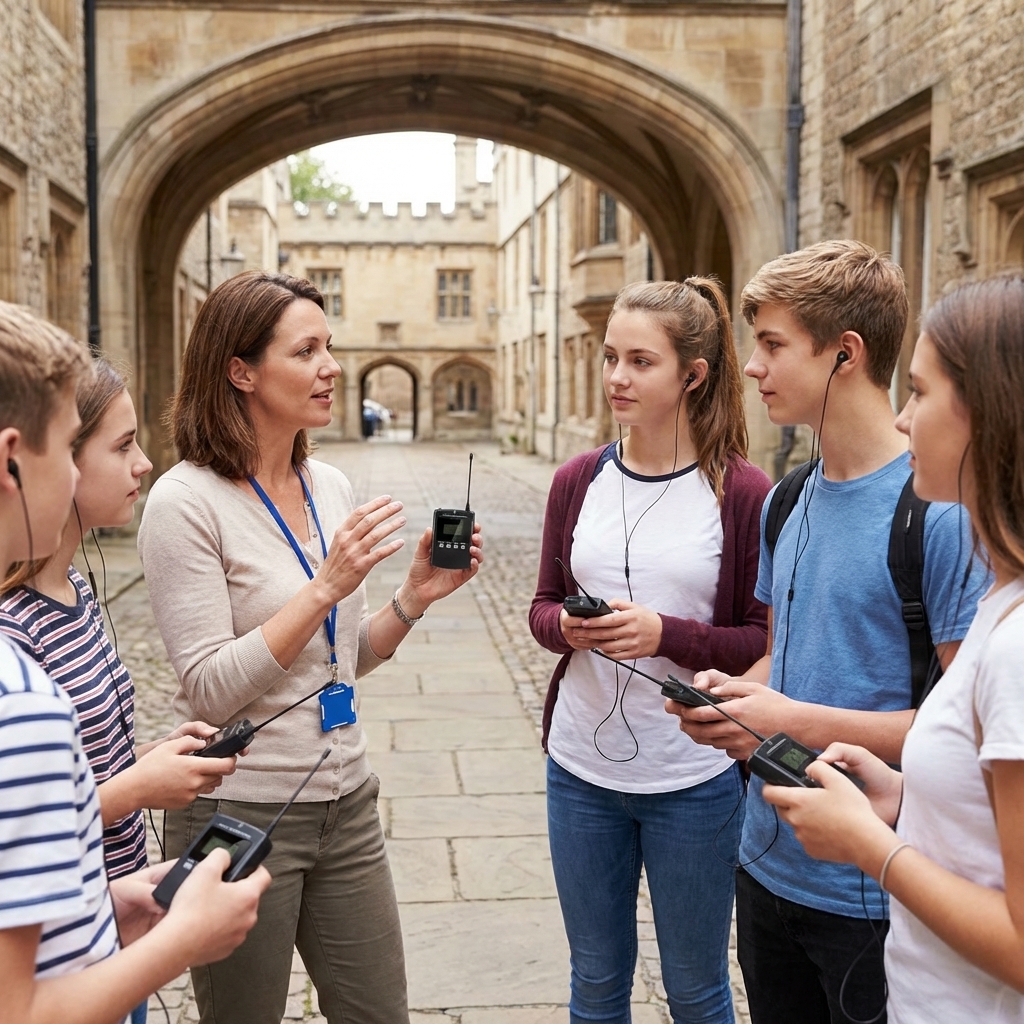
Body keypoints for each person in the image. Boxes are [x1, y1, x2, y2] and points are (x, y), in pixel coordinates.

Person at [138, 271, 484, 1024]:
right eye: (307, 350)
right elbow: (209, 689)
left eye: (330, 346)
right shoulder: (185, 501)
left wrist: (412, 600)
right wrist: (323, 587)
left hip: (345, 799)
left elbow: (337, 658)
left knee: (378, 1013)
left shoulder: (328, 483)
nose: (331, 366)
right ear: (241, 370)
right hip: (239, 815)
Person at [668, 241, 986, 1024]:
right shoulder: (787, 499)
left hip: (873, 886)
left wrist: (790, 721)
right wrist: (742, 698)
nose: (750, 366)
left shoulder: (940, 514)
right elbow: (792, 653)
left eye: (772, 344)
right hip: (766, 863)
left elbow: (964, 733)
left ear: (846, 353)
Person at [763, 276, 1024, 1024]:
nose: (904, 419)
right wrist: (900, 798)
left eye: (919, 391)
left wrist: (869, 847)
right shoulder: (1003, 605)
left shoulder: (1015, 646)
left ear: (991, 415)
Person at [0, 300, 269, 1024]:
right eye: (107, 447)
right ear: (13, 460)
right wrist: (180, 940)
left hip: (94, 908)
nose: (145, 465)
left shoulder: (78, 592)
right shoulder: (15, 687)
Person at [530, 278, 772, 1023]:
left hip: (693, 782)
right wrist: (566, 629)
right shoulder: (578, 480)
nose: (616, 379)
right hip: (580, 771)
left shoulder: (742, 493)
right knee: (595, 986)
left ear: (692, 375)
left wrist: (667, 634)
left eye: (640, 362)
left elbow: (762, 642)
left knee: (698, 992)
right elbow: (540, 609)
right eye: (611, 358)